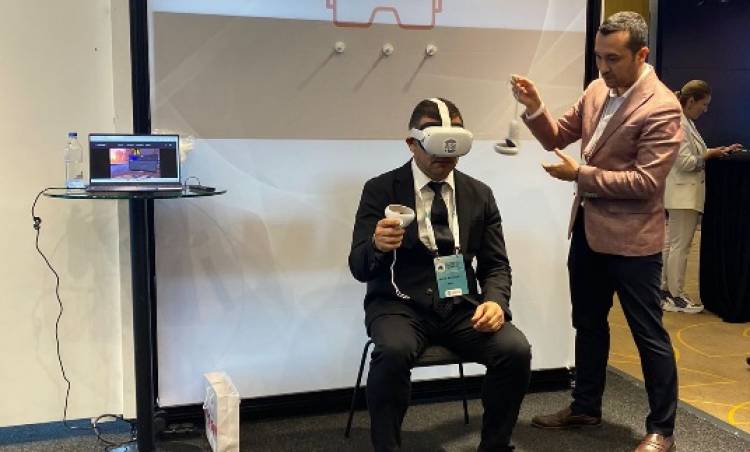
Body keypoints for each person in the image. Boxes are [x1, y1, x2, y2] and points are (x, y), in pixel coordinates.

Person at [510, 11, 681, 452]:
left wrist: (581, 175)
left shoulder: (663, 106)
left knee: (648, 336)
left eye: (613, 59)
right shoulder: (595, 90)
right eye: (599, 57)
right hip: (588, 233)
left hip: (634, 243)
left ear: (641, 54)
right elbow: (556, 136)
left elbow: (646, 183)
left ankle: (661, 430)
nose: (603, 67)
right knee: (587, 324)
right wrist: (535, 107)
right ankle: (585, 406)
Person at [348, 98, 531, 452]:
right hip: (399, 305)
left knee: (514, 350)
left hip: (460, 306)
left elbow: (496, 264)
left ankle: (495, 446)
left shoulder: (479, 194)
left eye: (454, 146)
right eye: (435, 144)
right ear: (411, 143)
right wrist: (377, 246)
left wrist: (495, 302)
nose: (445, 156)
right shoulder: (380, 190)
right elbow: (359, 267)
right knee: (393, 351)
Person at [661, 80, 743, 313]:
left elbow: (695, 153)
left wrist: (719, 151)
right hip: (683, 193)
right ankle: (675, 295)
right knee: (680, 247)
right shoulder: (679, 123)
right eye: (703, 104)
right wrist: (710, 155)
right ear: (690, 101)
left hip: (682, 193)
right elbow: (686, 162)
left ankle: (666, 291)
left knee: (674, 245)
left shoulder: (685, 122)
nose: (705, 110)